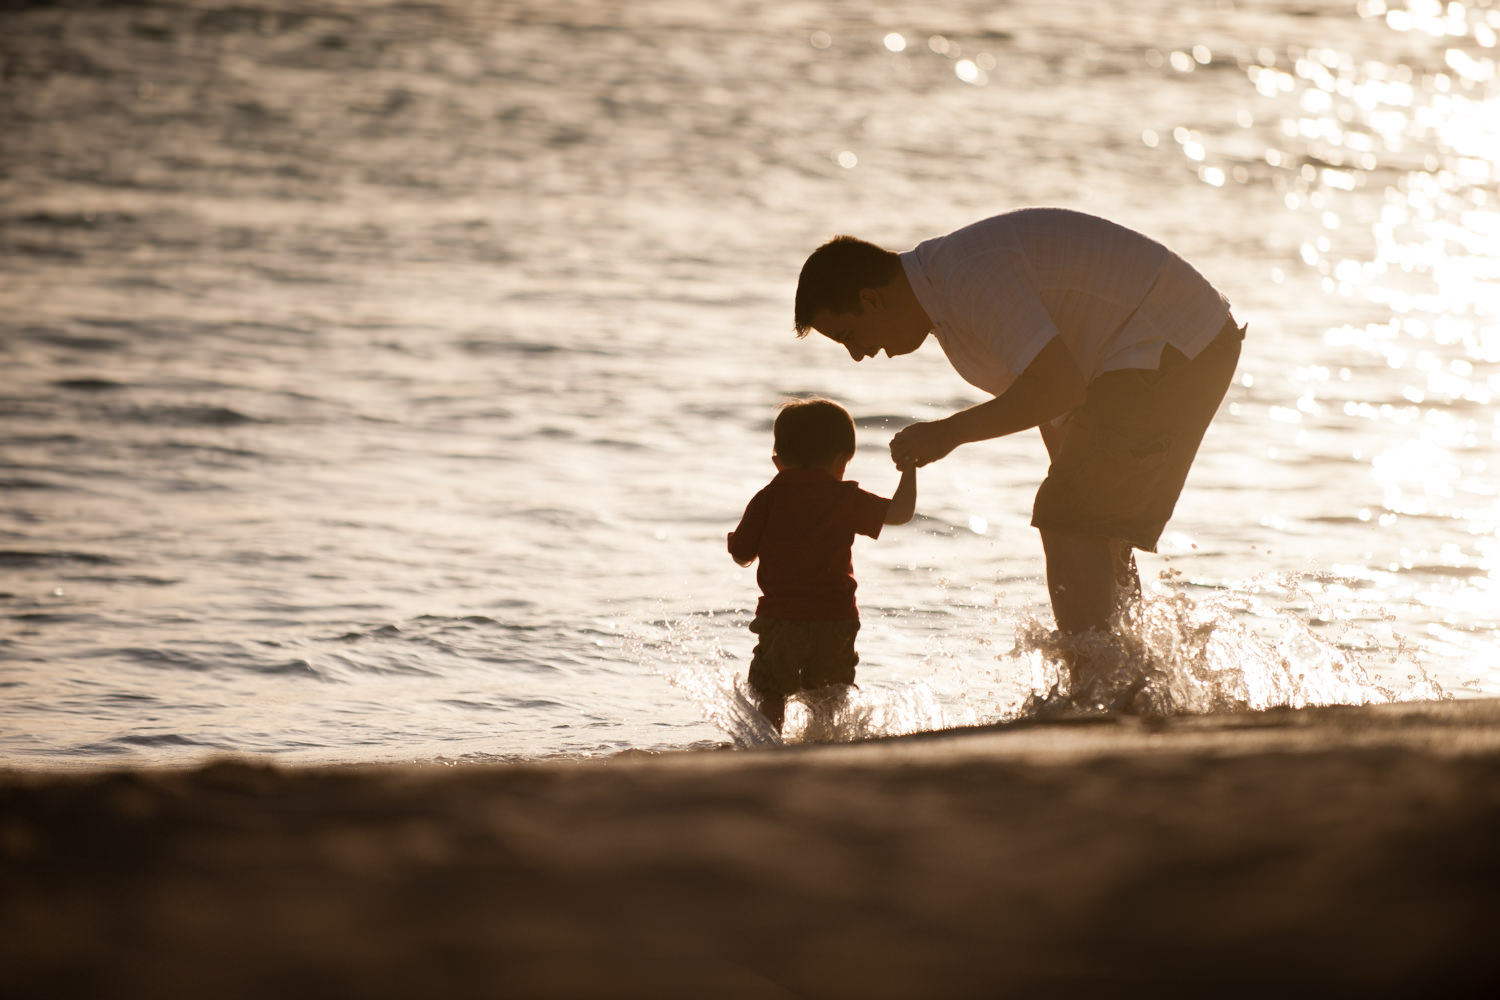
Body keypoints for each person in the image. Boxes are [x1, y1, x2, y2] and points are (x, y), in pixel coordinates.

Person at [793, 207, 1243, 692]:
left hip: (1174, 340)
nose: (858, 354)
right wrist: (1077, 492)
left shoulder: (967, 280)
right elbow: (1056, 408)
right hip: (1154, 349)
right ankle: (1131, 682)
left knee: (1069, 516)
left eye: (848, 335)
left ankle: (1098, 690)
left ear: (871, 300)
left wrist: (948, 432)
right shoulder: (947, 306)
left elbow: (1059, 389)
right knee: (1085, 519)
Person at [728, 397, 917, 733]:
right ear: (842, 461)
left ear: (778, 461)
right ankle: (825, 745)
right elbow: (901, 513)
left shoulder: (767, 499)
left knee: (771, 690)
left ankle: (767, 746)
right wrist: (910, 469)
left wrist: (742, 544)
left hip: (782, 618)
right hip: (836, 618)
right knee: (829, 694)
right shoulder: (844, 497)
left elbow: (742, 553)